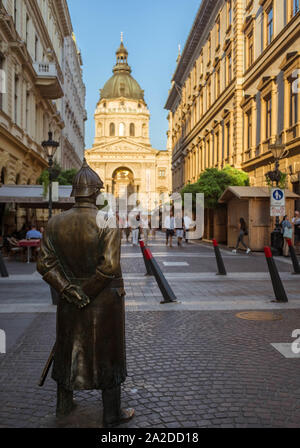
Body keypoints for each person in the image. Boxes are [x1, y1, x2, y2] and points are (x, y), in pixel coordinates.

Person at [37, 159, 134, 427]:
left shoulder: (55, 222)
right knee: (108, 352)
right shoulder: (106, 221)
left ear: (75, 193)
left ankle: (64, 404)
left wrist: (69, 290)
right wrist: (86, 292)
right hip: (104, 301)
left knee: (67, 347)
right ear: (96, 192)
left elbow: (45, 263)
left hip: (69, 300)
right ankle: (111, 413)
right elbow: (110, 266)